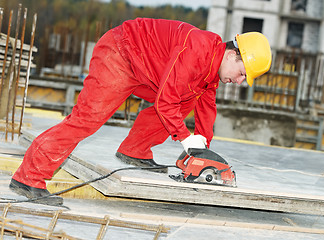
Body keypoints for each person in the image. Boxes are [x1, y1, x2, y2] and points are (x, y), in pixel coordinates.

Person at [9, 18, 272, 205]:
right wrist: (184, 138)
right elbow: (165, 101)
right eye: (241, 74)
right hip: (120, 52)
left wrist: (203, 150)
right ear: (232, 55)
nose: (238, 82)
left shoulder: (213, 66)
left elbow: (207, 106)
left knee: (189, 99)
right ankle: (29, 178)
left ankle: (134, 150)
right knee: (87, 119)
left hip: (147, 69)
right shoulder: (198, 48)